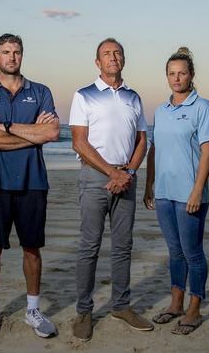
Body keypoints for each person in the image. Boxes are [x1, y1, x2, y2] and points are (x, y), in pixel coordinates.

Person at [0, 33, 60, 344]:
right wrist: (32, 134)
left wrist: (5, 127)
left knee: (32, 248)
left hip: (33, 181)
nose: (12, 57)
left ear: (22, 55)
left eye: (17, 52)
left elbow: (52, 132)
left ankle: (33, 310)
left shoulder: (40, 91)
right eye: (6, 52)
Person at [69, 37, 153, 341]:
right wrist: (111, 172)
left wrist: (128, 171)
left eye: (117, 53)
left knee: (123, 246)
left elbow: (143, 140)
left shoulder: (134, 96)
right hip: (94, 177)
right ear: (98, 62)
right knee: (89, 246)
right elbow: (79, 141)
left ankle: (121, 306)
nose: (113, 57)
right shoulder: (84, 95)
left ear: (123, 59)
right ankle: (84, 311)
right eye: (106, 54)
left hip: (127, 178)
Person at [143, 47, 209, 335]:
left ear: (191, 75)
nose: (177, 78)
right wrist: (149, 184)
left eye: (182, 73)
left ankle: (194, 308)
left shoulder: (203, 108)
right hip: (163, 193)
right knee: (174, 252)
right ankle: (175, 304)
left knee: (192, 252)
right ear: (166, 77)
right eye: (171, 73)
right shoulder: (161, 111)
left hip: (190, 193)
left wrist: (198, 190)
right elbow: (154, 149)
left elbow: (207, 151)